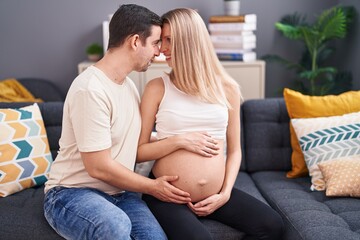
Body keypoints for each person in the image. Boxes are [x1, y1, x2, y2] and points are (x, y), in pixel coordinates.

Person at [43, 4, 192, 240]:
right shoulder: (90, 89)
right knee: (115, 225)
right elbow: (98, 166)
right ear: (135, 41)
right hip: (71, 194)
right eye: (155, 43)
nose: (159, 52)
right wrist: (153, 187)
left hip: (121, 194)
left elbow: (130, 139)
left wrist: (182, 141)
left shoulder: (128, 85)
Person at [137, 8, 284, 240]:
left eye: (169, 40)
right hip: (168, 195)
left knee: (273, 226)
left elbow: (235, 151)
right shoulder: (156, 87)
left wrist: (225, 193)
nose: (162, 49)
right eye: (161, 40)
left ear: (190, 41)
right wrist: (179, 141)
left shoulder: (228, 88)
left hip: (215, 194)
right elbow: (139, 151)